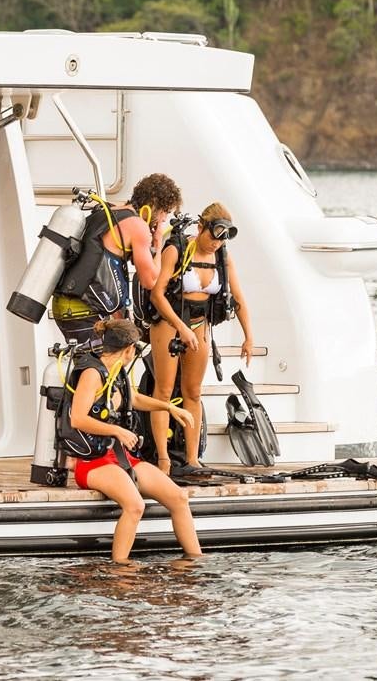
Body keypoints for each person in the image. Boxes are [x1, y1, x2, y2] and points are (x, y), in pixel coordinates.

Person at [64, 318, 203, 563]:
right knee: (135, 506)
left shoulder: (117, 372)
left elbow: (134, 399)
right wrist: (117, 431)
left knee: (179, 498)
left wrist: (169, 407)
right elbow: (77, 418)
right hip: (93, 461)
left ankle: (195, 561)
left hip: (121, 457)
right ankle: (121, 566)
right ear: (129, 349)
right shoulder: (91, 373)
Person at [147, 202, 255, 475]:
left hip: (199, 323)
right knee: (164, 390)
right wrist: (180, 327)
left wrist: (248, 336)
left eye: (222, 240)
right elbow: (157, 294)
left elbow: (238, 299)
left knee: (193, 392)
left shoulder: (223, 258)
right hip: (169, 322)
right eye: (213, 237)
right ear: (201, 227)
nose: (216, 244)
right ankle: (163, 459)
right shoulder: (177, 249)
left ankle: (192, 459)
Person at [50, 173, 182, 345]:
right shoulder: (138, 226)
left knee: (95, 359)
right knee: (101, 362)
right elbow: (150, 281)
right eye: (166, 212)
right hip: (84, 310)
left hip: (64, 305)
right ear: (154, 204)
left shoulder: (108, 212)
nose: (164, 219)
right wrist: (157, 242)